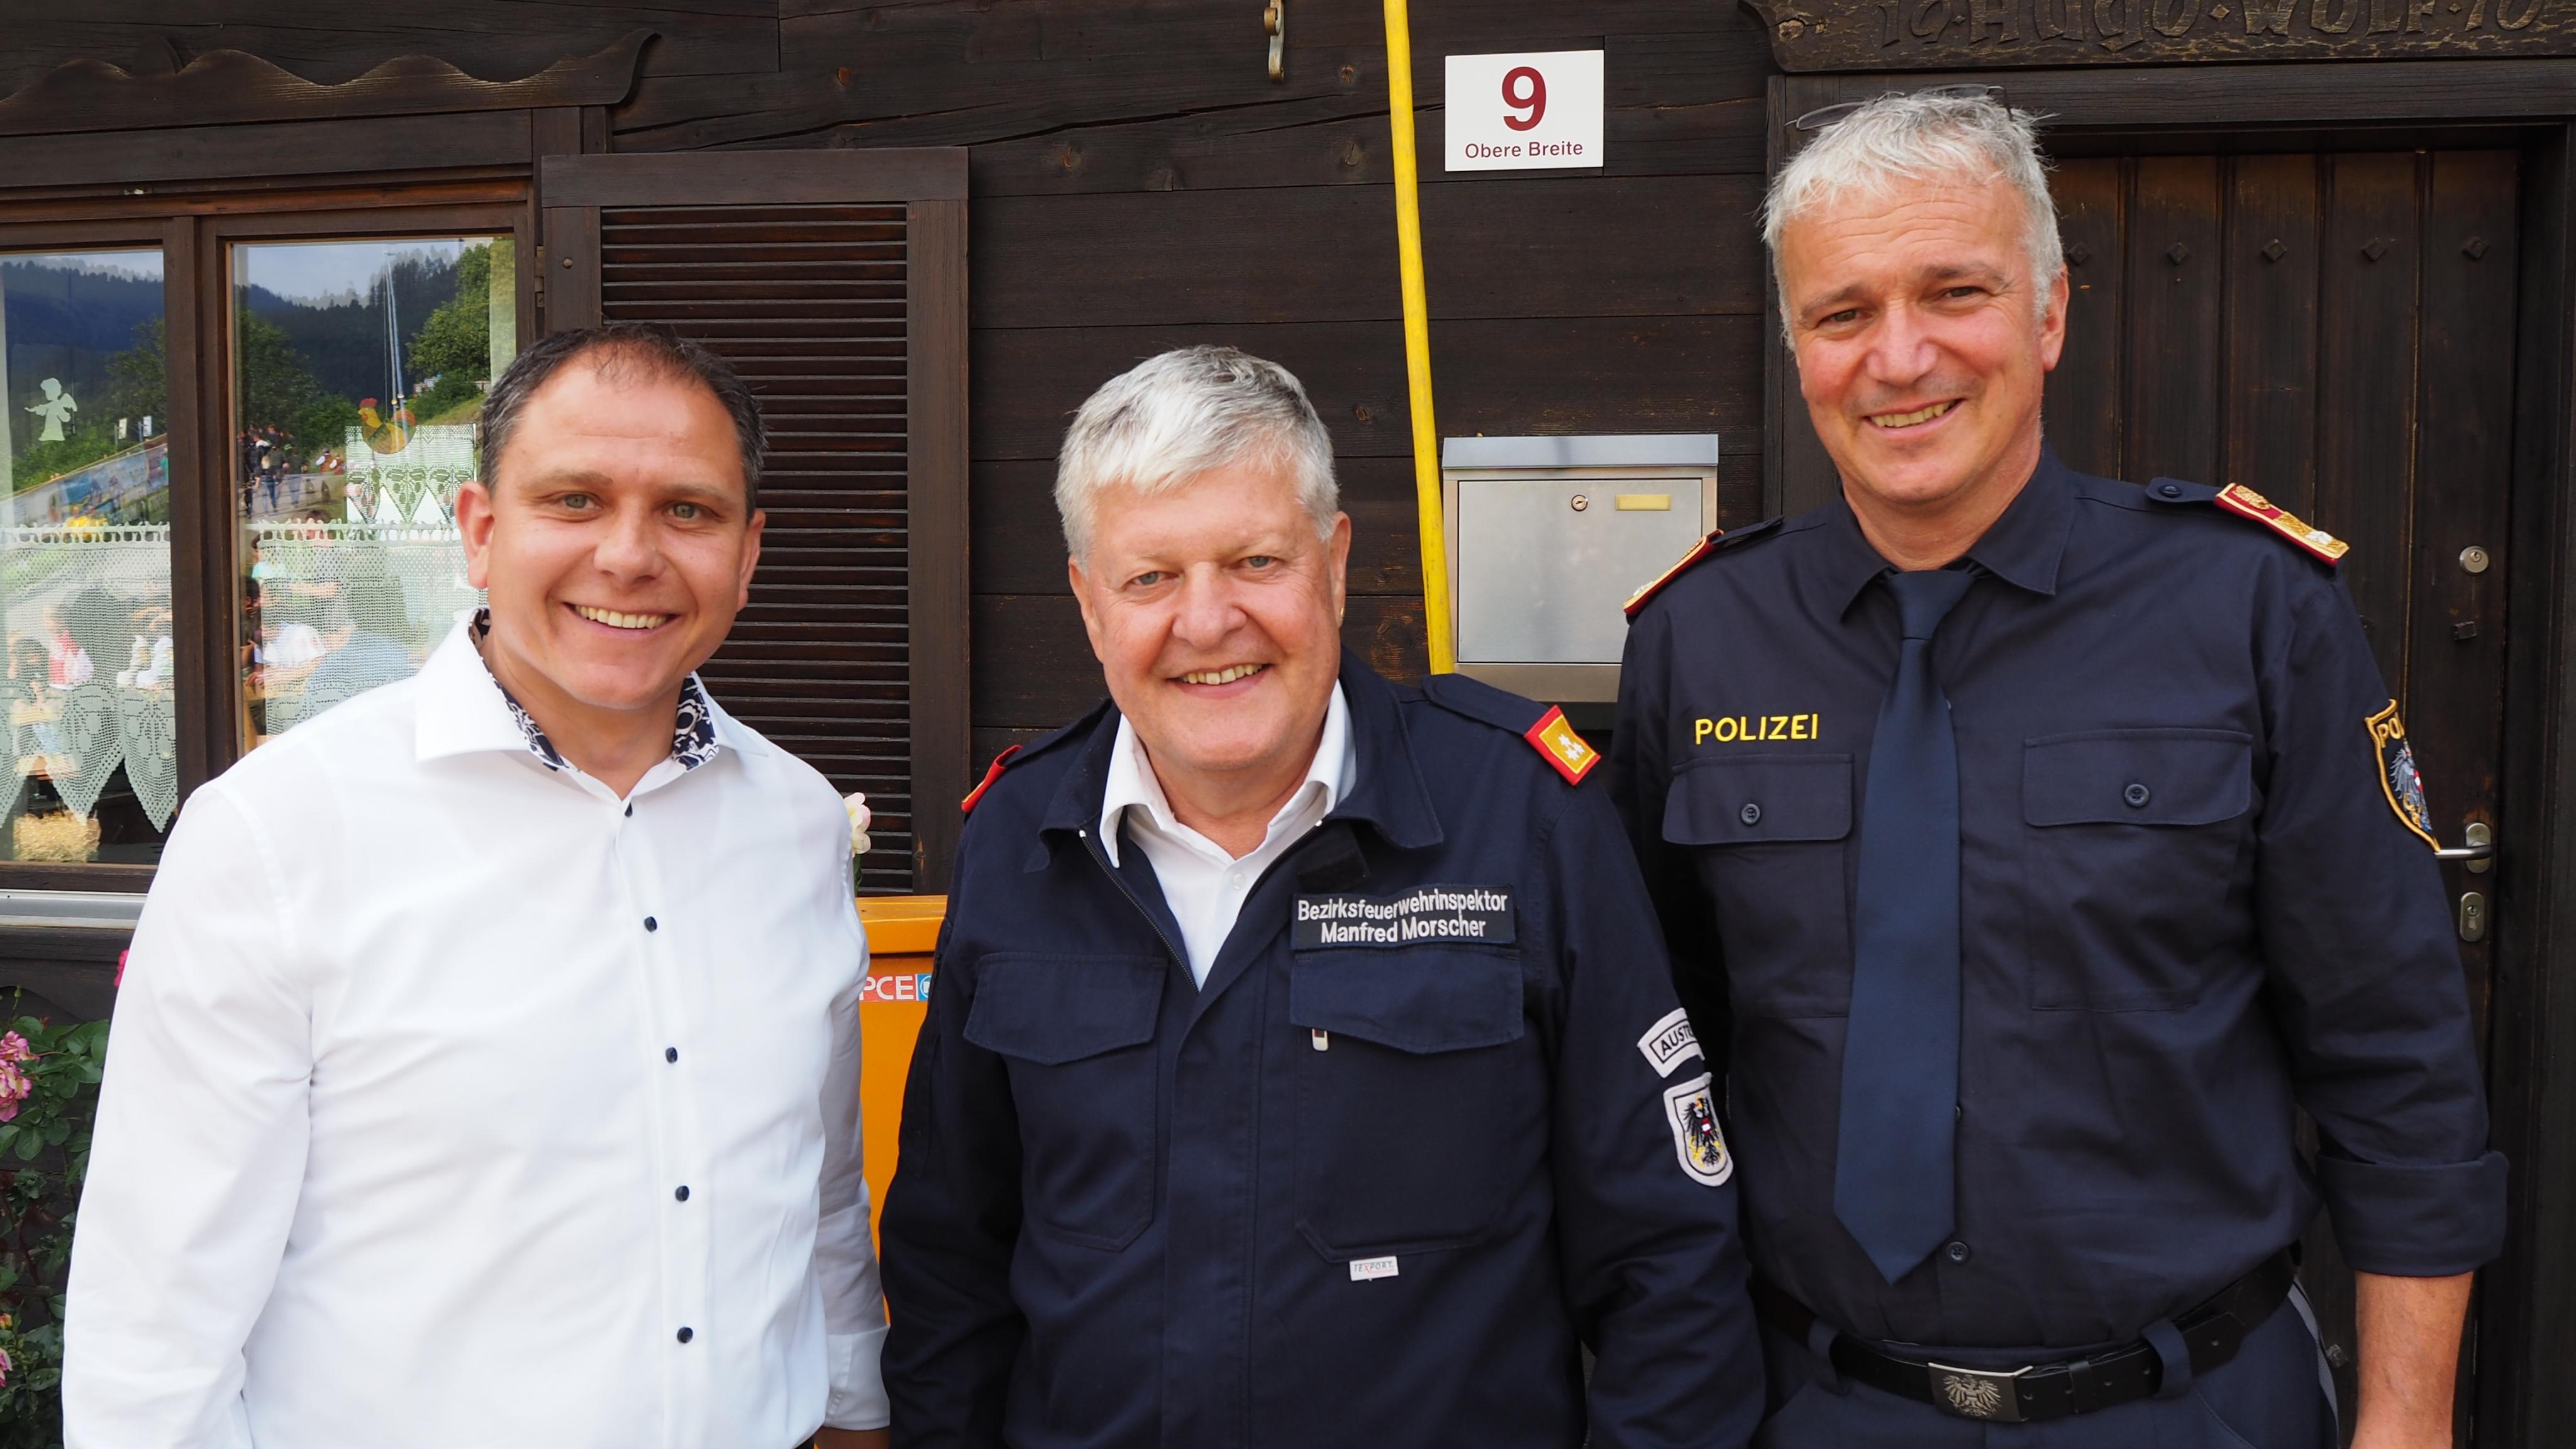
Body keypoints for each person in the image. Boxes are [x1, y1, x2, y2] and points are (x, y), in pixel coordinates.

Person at [1610, 92, 2504, 1448]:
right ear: (1797, 348)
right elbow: (1660, 1053)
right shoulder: (1698, 640)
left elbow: (2398, 1057)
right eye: (1842, 313)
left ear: (2048, 314)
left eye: (1953, 292)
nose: (1897, 357)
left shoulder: (2251, 612)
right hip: (1818, 1405)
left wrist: (2406, 1423)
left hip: (2187, 1405)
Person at [880, 346, 1761, 1448]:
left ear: (1335, 565)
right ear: (1089, 604)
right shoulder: (1018, 842)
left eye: (1255, 561)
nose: (1208, 622)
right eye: (1151, 578)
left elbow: (1671, 1264)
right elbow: (950, 1273)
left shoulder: (1523, 819)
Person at [65, 323, 891, 1449]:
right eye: (575, 501)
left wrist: (853, 1411)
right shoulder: (277, 834)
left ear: (747, 556)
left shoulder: (796, 822)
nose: (629, 555)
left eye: (688, 511)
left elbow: (820, 1190)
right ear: (481, 531)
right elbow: (156, 1323)